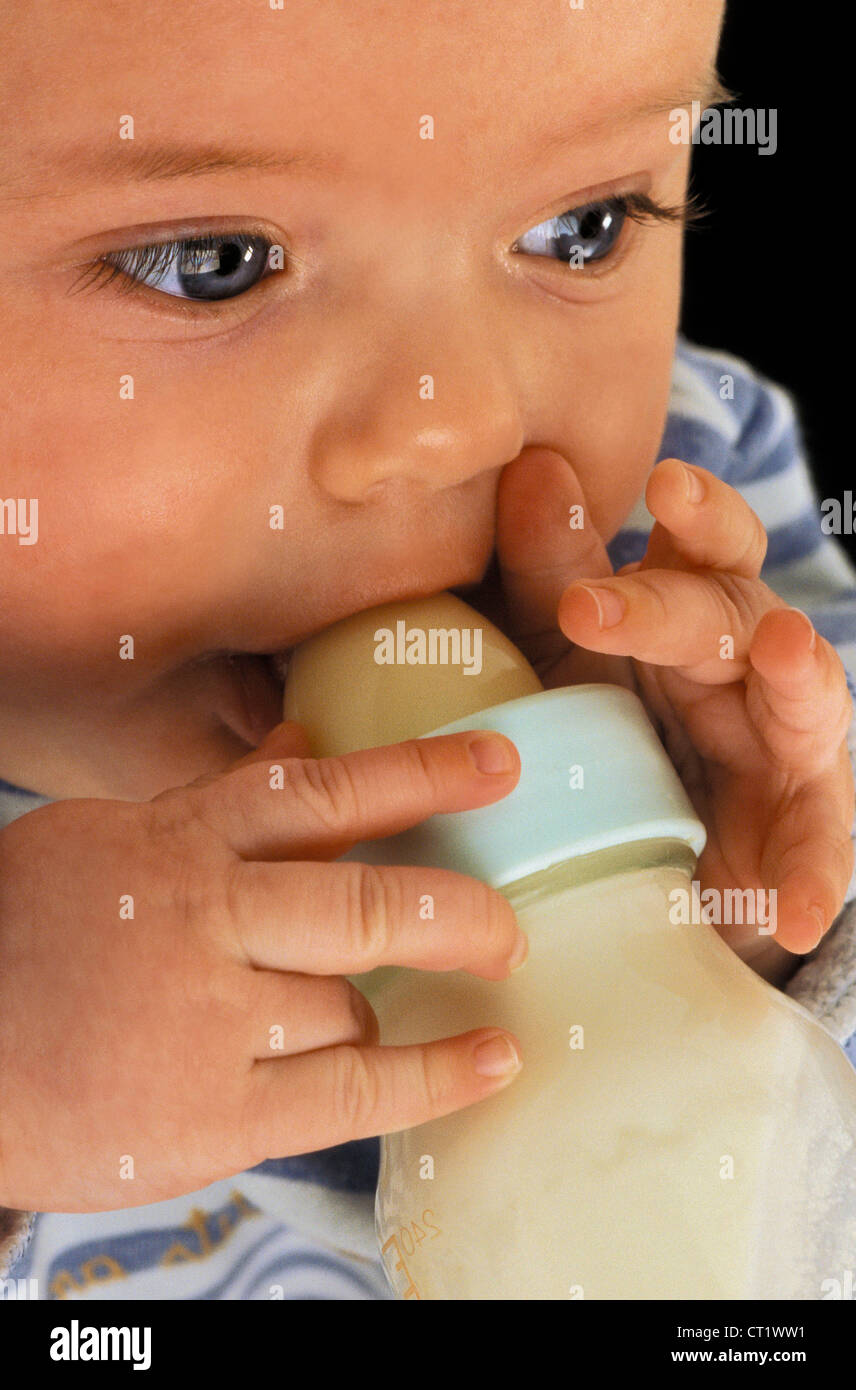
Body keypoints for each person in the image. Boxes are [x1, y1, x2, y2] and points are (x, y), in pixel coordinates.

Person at [1, 0, 854, 1299]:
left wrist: (723, 956)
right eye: (213, 260)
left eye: (587, 226)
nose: (453, 422)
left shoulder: (688, 547)